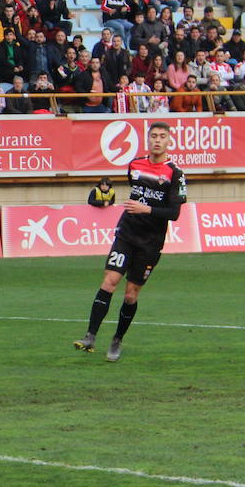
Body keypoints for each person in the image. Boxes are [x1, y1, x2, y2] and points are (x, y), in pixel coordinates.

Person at [73, 122, 186, 363]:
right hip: (126, 234)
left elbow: (174, 213)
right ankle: (90, 335)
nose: (157, 140)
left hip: (150, 242)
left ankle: (117, 340)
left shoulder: (175, 173)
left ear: (169, 141)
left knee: (131, 295)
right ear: (148, 139)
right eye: (154, 136)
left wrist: (145, 209)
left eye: (162, 136)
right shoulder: (135, 165)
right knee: (109, 281)